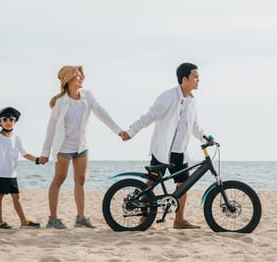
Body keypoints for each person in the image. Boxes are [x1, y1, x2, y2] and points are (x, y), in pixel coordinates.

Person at [120, 62, 207, 229]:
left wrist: (205, 138)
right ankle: (143, 218)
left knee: (183, 185)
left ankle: (179, 220)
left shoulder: (192, 101)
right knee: (151, 184)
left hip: (180, 152)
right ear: (184, 79)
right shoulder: (168, 96)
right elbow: (150, 115)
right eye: (195, 77)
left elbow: (195, 127)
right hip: (162, 150)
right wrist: (131, 131)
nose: (198, 80)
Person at [40, 65, 126, 229]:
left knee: (80, 181)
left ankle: (80, 218)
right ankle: (52, 219)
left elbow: (101, 113)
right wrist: (45, 152)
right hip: (63, 147)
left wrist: (118, 130)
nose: (81, 78)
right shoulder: (61, 102)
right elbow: (51, 128)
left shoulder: (88, 96)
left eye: (81, 75)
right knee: (59, 179)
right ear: (68, 79)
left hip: (81, 147)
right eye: (77, 76)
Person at [0, 107, 41, 229]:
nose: (8, 121)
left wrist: (37, 160)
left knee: (16, 197)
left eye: (11, 119)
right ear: (0, 122)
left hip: (12, 174)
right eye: (5, 119)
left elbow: (25, 154)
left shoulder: (17, 138)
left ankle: (24, 222)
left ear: (15, 121)